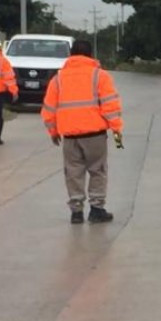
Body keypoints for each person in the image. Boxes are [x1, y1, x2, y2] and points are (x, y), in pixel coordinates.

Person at [41, 40, 123, 224]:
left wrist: (53, 132)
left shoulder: (58, 79)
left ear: (71, 54)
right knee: (98, 171)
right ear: (90, 55)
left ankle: (76, 212)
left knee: (73, 172)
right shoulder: (100, 76)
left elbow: (48, 109)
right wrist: (117, 134)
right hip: (94, 136)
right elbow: (111, 106)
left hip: (69, 137)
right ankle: (96, 209)